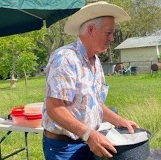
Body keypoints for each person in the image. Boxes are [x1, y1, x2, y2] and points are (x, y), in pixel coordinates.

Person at [42, 1, 139, 160]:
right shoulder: (66, 58)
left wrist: (118, 120)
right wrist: (88, 134)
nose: (112, 38)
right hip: (64, 147)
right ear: (91, 30)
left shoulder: (95, 61)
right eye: (108, 33)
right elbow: (55, 109)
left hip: (88, 140)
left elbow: (94, 103)